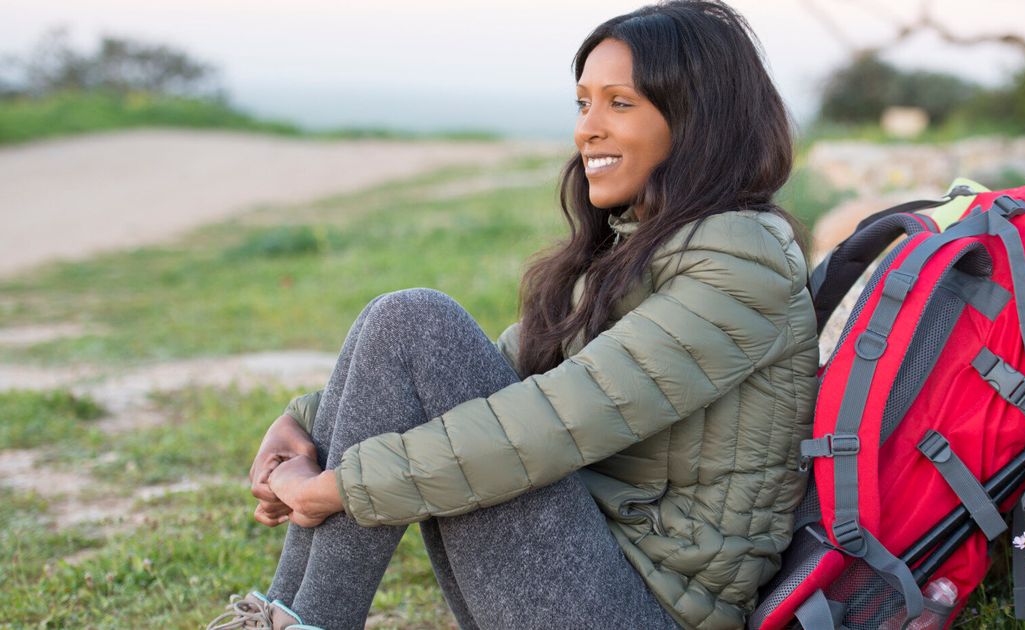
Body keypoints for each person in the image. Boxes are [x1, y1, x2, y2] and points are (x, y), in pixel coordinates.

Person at [205, 1, 819, 628]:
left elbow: (553, 420)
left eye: (620, 103)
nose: (588, 129)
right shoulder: (646, 247)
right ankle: (287, 618)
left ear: (698, 121)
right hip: (596, 569)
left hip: (647, 609)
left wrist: (341, 485)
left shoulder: (741, 262)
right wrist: (303, 424)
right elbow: (497, 373)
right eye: (583, 104)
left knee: (418, 323)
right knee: (406, 326)